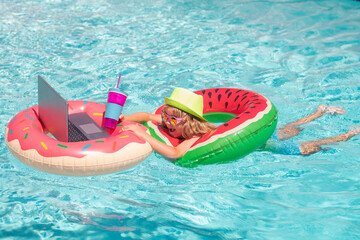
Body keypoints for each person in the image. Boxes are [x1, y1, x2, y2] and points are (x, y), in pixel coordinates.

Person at [120, 88, 216, 161]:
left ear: (188, 122)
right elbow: (147, 116)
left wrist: (142, 133)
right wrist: (125, 118)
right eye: (165, 117)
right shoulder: (170, 121)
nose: (166, 122)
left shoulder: (195, 134)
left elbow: (176, 153)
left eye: (173, 119)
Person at [262, 104, 360, 155]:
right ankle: (319, 113)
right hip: (263, 137)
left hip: (263, 141)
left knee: (316, 144)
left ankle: (351, 133)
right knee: (291, 129)